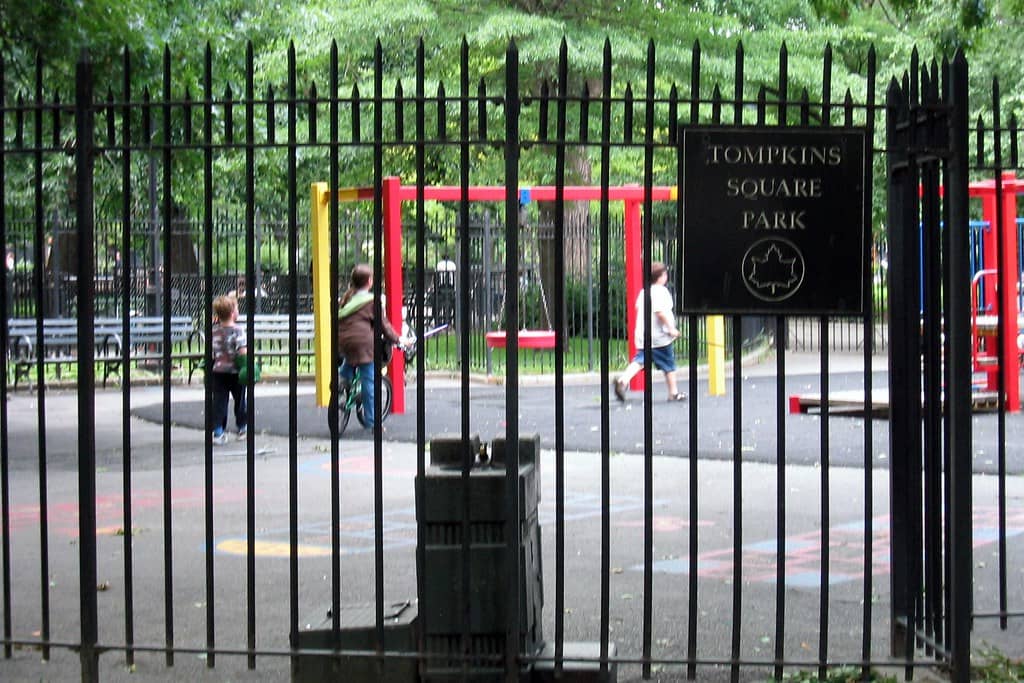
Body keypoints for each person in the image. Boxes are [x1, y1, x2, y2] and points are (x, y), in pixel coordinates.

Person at [337, 264, 411, 429]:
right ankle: (372, 422)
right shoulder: (372, 301)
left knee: (350, 359)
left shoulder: (346, 299)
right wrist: (400, 340)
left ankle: (342, 378)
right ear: (369, 281)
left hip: (343, 342)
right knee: (369, 382)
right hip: (363, 345)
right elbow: (384, 326)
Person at [613, 261, 685, 402]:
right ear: (661, 276)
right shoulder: (661, 292)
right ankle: (673, 393)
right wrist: (671, 329)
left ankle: (623, 380)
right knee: (669, 365)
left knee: (640, 361)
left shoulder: (644, 291)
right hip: (660, 338)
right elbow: (659, 312)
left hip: (644, 336)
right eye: (665, 274)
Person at [210, 294, 249, 444]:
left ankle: (218, 431)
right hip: (235, 372)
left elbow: (213, 352)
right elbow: (242, 350)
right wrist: (246, 365)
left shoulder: (214, 331)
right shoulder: (238, 330)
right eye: (237, 308)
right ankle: (242, 427)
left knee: (219, 401)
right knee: (240, 400)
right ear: (233, 312)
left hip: (219, 372)